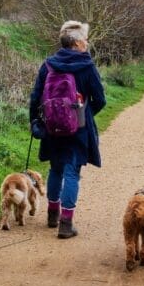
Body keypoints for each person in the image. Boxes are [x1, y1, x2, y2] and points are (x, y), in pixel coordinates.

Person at [29, 21, 106, 239]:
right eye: (85, 40)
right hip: (78, 127)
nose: (87, 43)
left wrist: (36, 121)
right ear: (76, 43)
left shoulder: (48, 65)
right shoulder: (87, 66)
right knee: (72, 171)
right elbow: (100, 99)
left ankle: (52, 215)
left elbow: (35, 97)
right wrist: (83, 115)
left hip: (52, 126)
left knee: (56, 168)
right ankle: (66, 224)